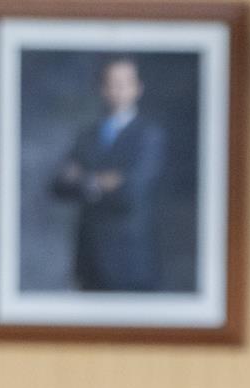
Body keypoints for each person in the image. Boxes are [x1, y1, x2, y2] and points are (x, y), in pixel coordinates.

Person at [50, 56, 165, 292]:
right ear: (102, 89)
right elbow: (59, 185)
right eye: (112, 83)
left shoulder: (148, 135)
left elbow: (131, 190)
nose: (118, 90)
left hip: (129, 259)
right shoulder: (87, 135)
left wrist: (84, 179)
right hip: (89, 257)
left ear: (137, 88)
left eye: (125, 83)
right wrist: (102, 181)